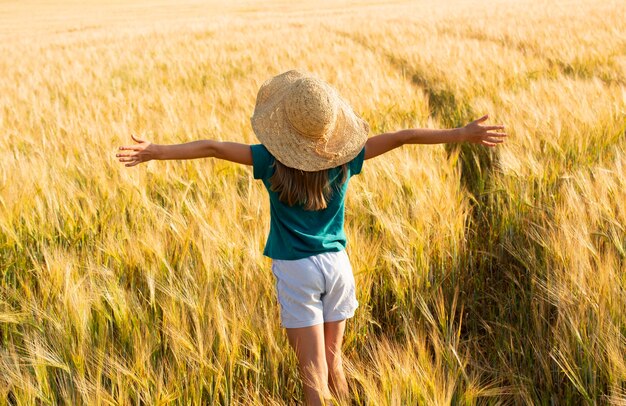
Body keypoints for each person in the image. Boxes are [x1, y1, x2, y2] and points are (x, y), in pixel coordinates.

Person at [116, 69, 507, 405]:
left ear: (285, 130)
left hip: (298, 272)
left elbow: (214, 148)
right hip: (339, 268)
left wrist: (156, 151)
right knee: (334, 366)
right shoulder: (346, 158)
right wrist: (462, 132)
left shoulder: (268, 160)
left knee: (313, 379)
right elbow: (403, 136)